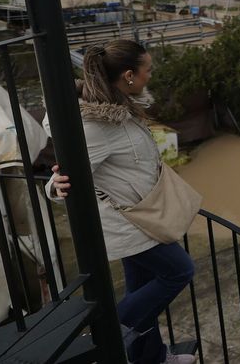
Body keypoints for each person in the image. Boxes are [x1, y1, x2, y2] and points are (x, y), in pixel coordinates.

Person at [46, 40, 196, 364]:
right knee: (180, 271)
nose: (150, 76)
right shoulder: (96, 125)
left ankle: (152, 358)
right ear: (129, 75)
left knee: (143, 296)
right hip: (131, 224)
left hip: (143, 216)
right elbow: (69, 174)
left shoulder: (120, 105)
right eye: (148, 70)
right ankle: (110, 335)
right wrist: (55, 186)